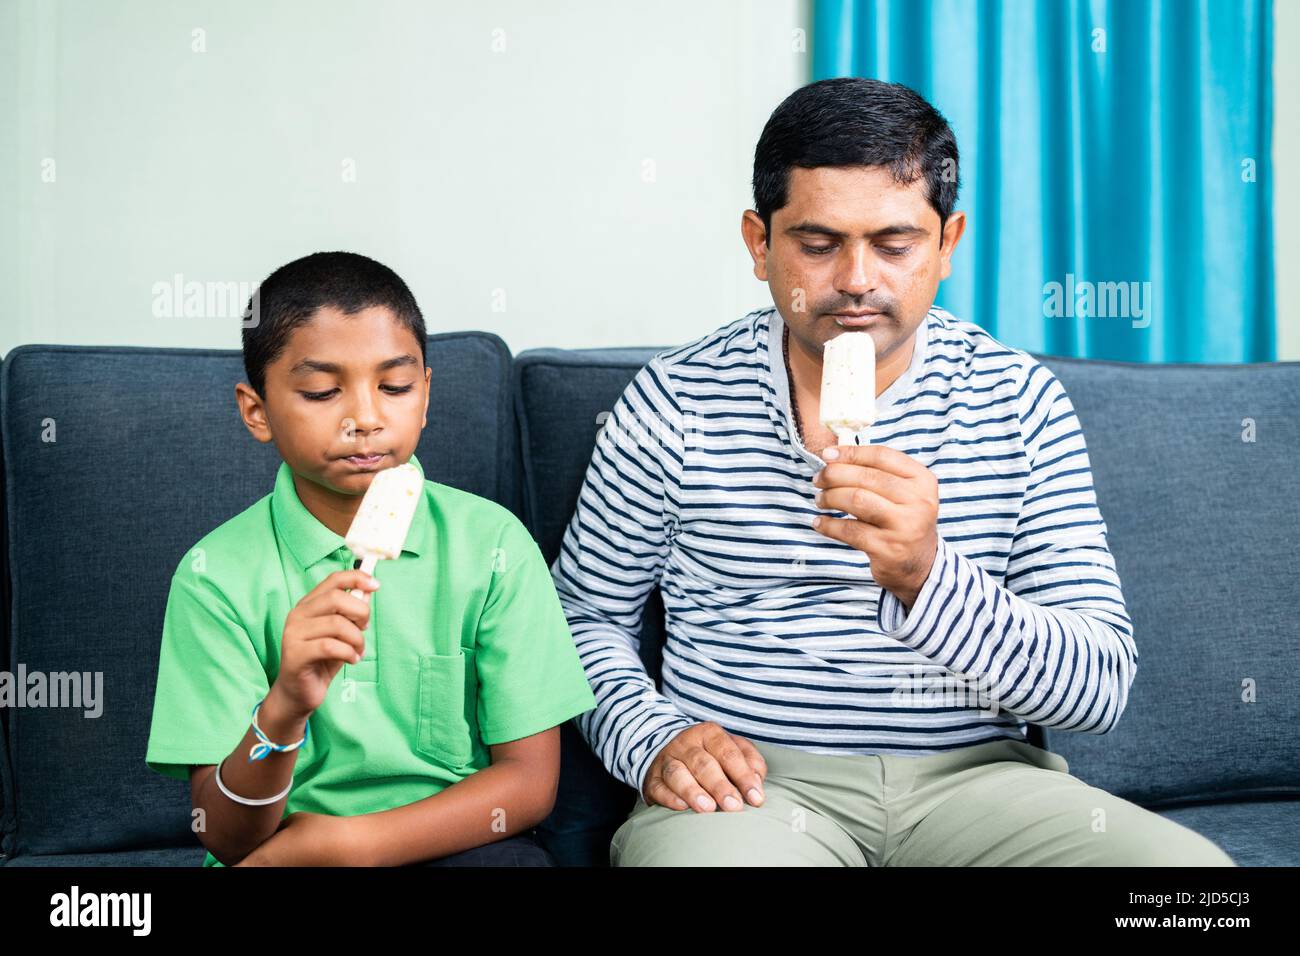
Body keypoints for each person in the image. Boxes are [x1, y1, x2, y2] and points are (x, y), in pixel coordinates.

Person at [551, 78, 1235, 866]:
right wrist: (655, 740)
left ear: (947, 245)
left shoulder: (1018, 400)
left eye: (894, 243)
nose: (855, 280)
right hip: (754, 792)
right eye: (817, 243)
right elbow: (583, 619)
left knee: (1195, 895)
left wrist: (926, 576)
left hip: (980, 787)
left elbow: (1097, 690)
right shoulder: (673, 401)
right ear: (758, 243)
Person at [145, 251, 596, 866]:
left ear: (427, 394)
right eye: (322, 391)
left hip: (458, 845)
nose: (365, 418)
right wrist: (285, 706)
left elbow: (529, 785)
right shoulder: (215, 578)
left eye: (395, 387)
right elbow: (225, 835)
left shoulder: (494, 547)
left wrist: (351, 844)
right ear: (257, 411)